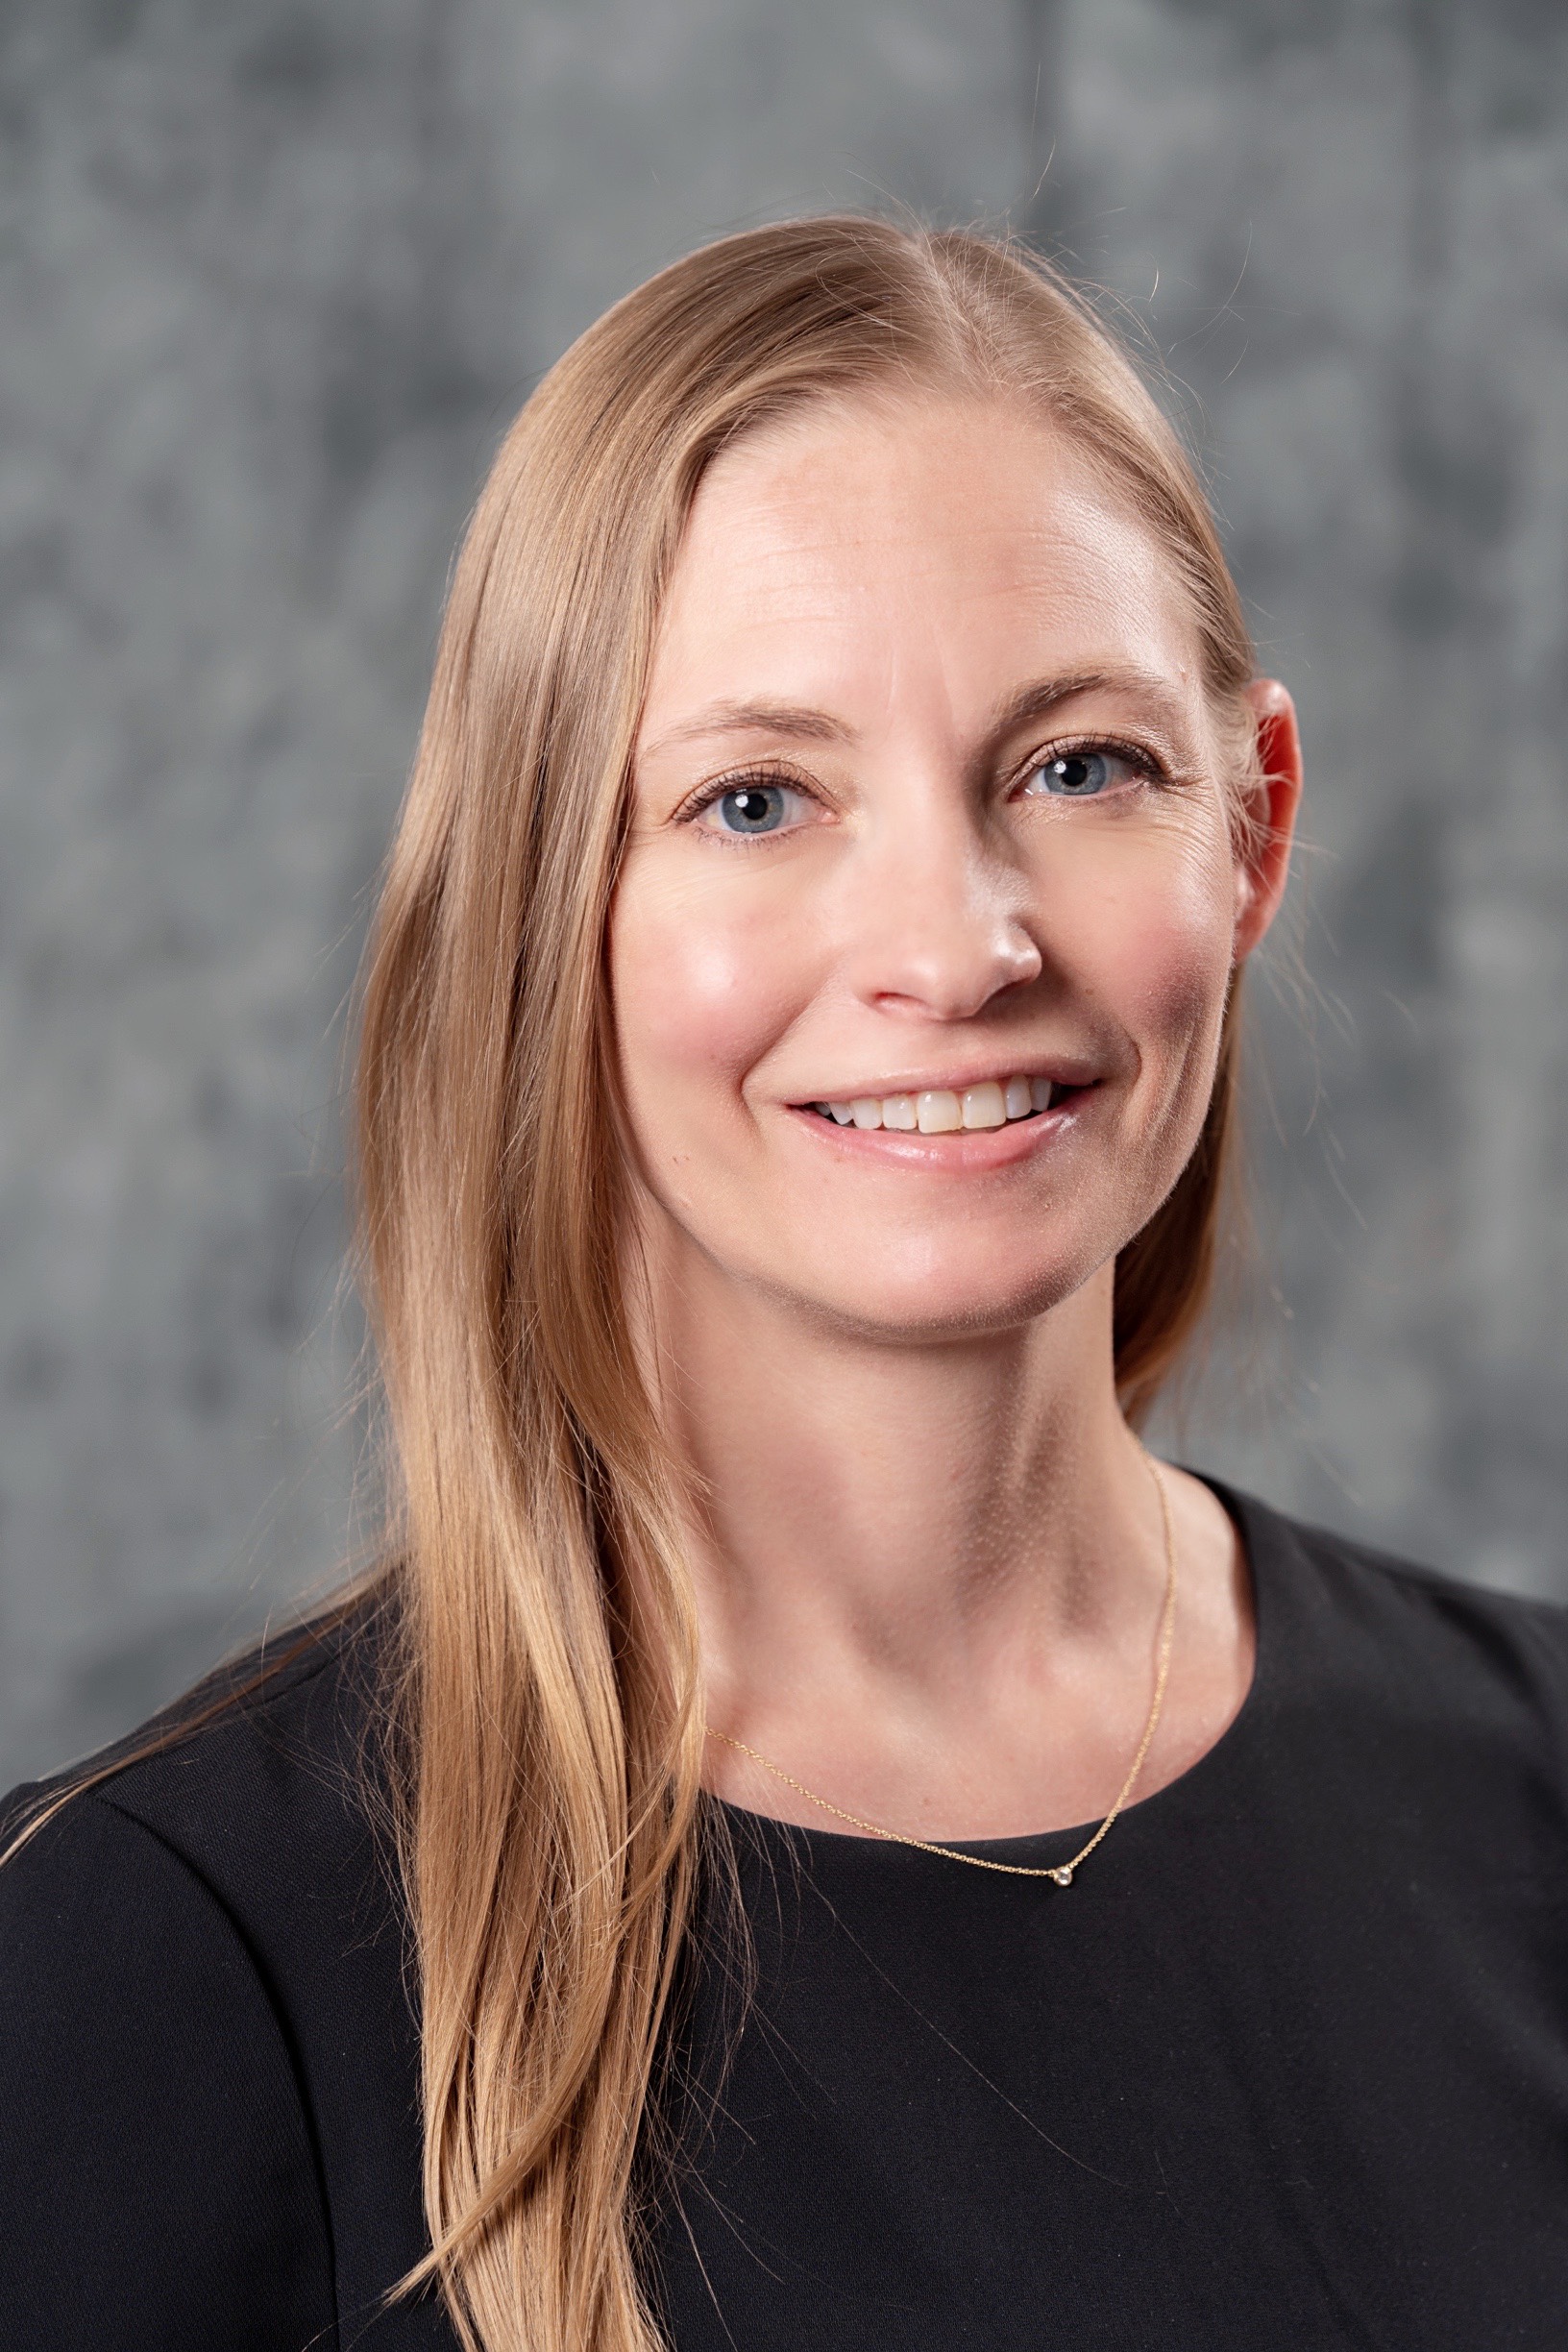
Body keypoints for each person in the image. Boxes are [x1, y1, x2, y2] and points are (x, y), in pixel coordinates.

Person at [3, 215, 1566, 2352]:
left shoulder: (1535, 1790)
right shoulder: (155, 1958)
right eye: (756, 800)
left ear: (1253, 830)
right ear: (544, 912)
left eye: (1081, 768)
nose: (956, 947)